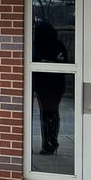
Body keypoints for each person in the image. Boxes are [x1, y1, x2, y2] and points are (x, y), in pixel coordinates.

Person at [32, 18, 69, 155]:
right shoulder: (57, 45)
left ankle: (50, 143)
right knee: (52, 112)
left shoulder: (37, 45)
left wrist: (46, 60)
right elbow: (60, 60)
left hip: (46, 83)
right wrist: (52, 60)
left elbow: (38, 59)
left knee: (47, 113)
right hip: (54, 83)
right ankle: (51, 142)